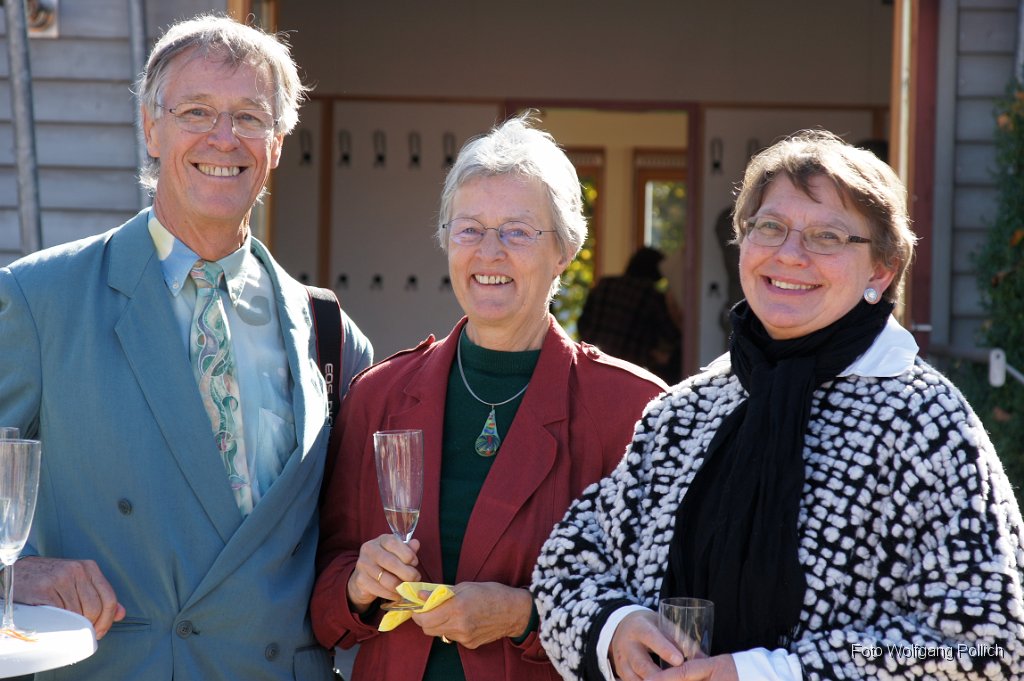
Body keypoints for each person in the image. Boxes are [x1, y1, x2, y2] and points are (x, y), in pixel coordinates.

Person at [532, 130, 1024, 681]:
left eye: (826, 236)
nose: (789, 254)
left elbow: (986, 649)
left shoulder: (925, 424)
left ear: (881, 270)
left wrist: (772, 672)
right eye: (769, 227)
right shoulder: (687, 412)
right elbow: (566, 565)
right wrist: (615, 628)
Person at [0, 15, 372, 680]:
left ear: (277, 144)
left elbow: (349, 548)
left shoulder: (331, 334)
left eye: (250, 117)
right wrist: (19, 572)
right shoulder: (39, 301)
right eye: (196, 111)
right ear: (150, 128)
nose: (223, 138)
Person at [311, 114, 667, 681]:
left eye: (518, 231)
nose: (489, 252)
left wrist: (525, 616)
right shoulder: (379, 395)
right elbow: (319, 591)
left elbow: (662, 613)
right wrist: (357, 584)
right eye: (470, 229)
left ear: (565, 251)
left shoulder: (634, 412)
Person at [578, 246, 682, 384]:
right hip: (626, 370)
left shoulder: (604, 284)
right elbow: (670, 334)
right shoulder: (651, 295)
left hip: (591, 361)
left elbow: (582, 322)